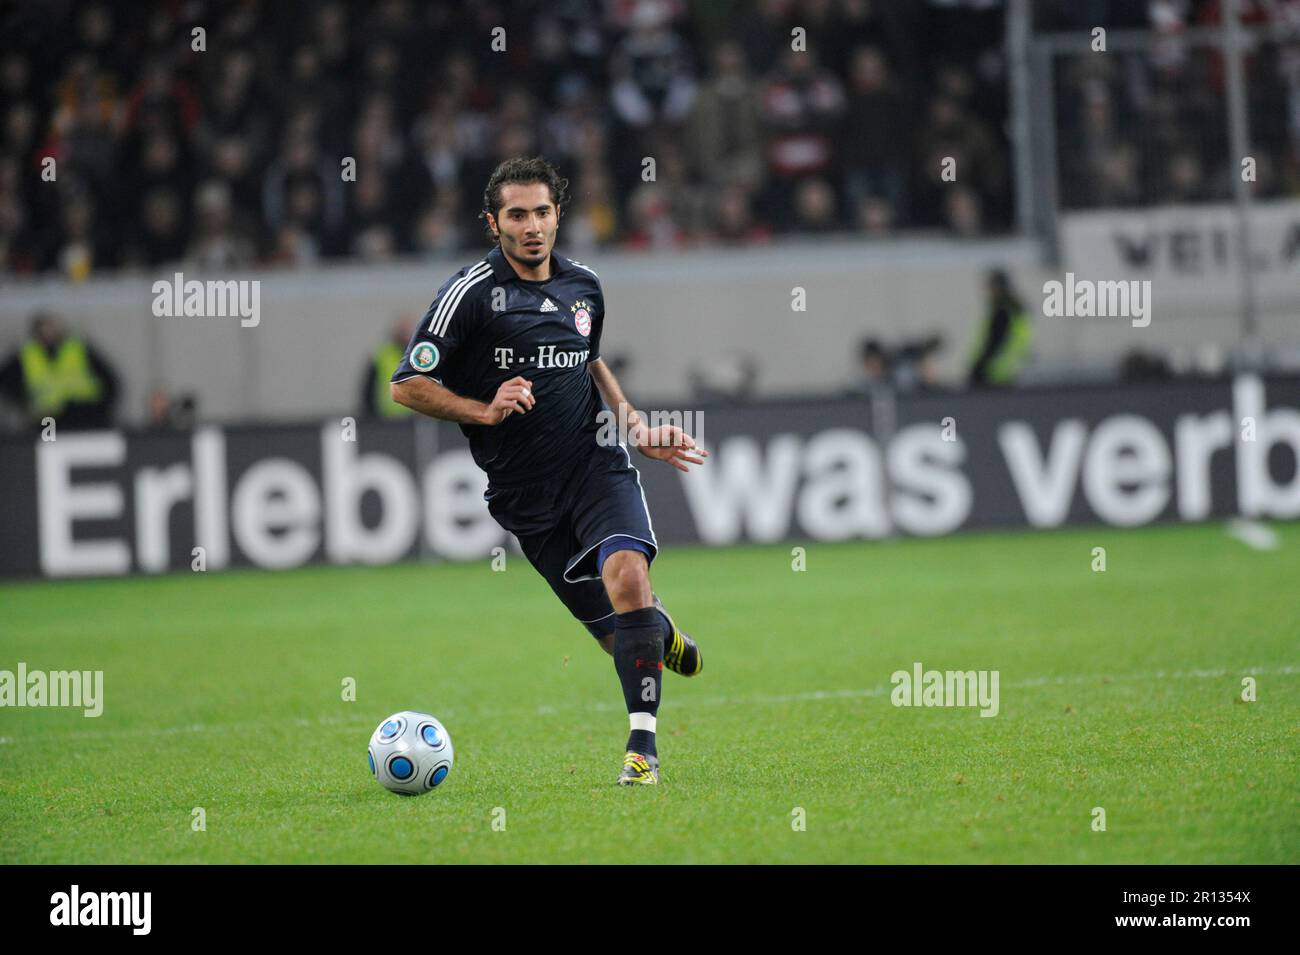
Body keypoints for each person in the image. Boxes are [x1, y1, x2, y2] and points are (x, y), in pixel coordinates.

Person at [390, 156, 707, 786]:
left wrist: (636, 426)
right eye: (516, 214)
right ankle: (657, 631)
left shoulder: (585, 285)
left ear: (559, 214)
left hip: (596, 465)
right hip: (524, 496)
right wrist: (483, 409)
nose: (531, 225)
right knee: (620, 637)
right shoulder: (469, 294)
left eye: (542, 212)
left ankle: (642, 750)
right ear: (493, 222)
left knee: (626, 575)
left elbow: (591, 361)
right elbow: (407, 385)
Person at [0, 311, 118, 431]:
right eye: (46, 328)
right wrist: (25, 403)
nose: (50, 332)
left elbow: (111, 381)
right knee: (48, 444)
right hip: (49, 418)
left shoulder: (77, 349)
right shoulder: (27, 354)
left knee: (91, 442)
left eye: (53, 327)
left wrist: (102, 408)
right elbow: (5, 381)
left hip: (85, 413)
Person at [968, 269, 1032, 388]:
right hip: (1012, 370)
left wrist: (977, 370)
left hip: (994, 372)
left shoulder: (1001, 312)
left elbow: (993, 343)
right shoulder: (1015, 312)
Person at [361, 317, 416, 418]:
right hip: (386, 417)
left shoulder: (418, 355)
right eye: (403, 332)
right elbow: (368, 388)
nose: (406, 335)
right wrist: (370, 414)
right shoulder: (382, 355)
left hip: (411, 418)